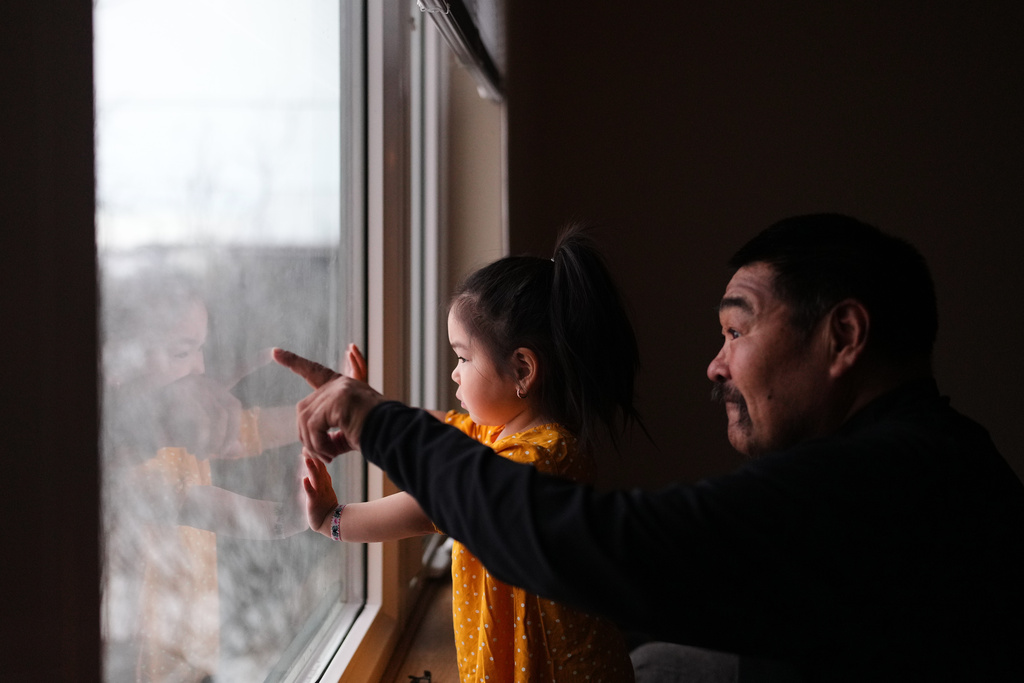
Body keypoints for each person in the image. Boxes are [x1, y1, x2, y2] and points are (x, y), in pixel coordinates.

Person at [277, 214, 1024, 681]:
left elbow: (598, 545)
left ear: (845, 337)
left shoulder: (884, 483)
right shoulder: (931, 459)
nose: (715, 362)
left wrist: (383, 424)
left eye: (737, 329)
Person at [291, 225, 641, 682]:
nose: (454, 374)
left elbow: (428, 505)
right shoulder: (497, 435)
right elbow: (430, 431)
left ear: (522, 369)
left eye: (462, 357)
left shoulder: (543, 458)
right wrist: (368, 407)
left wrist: (332, 520)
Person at [102, 272, 306, 683]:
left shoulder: (190, 432)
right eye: (182, 352)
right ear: (117, 364)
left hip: (196, 655)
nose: (200, 367)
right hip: (145, 667)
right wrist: (323, 515)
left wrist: (351, 418)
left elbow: (256, 428)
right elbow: (249, 517)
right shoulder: (117, 467)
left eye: (201, 350)